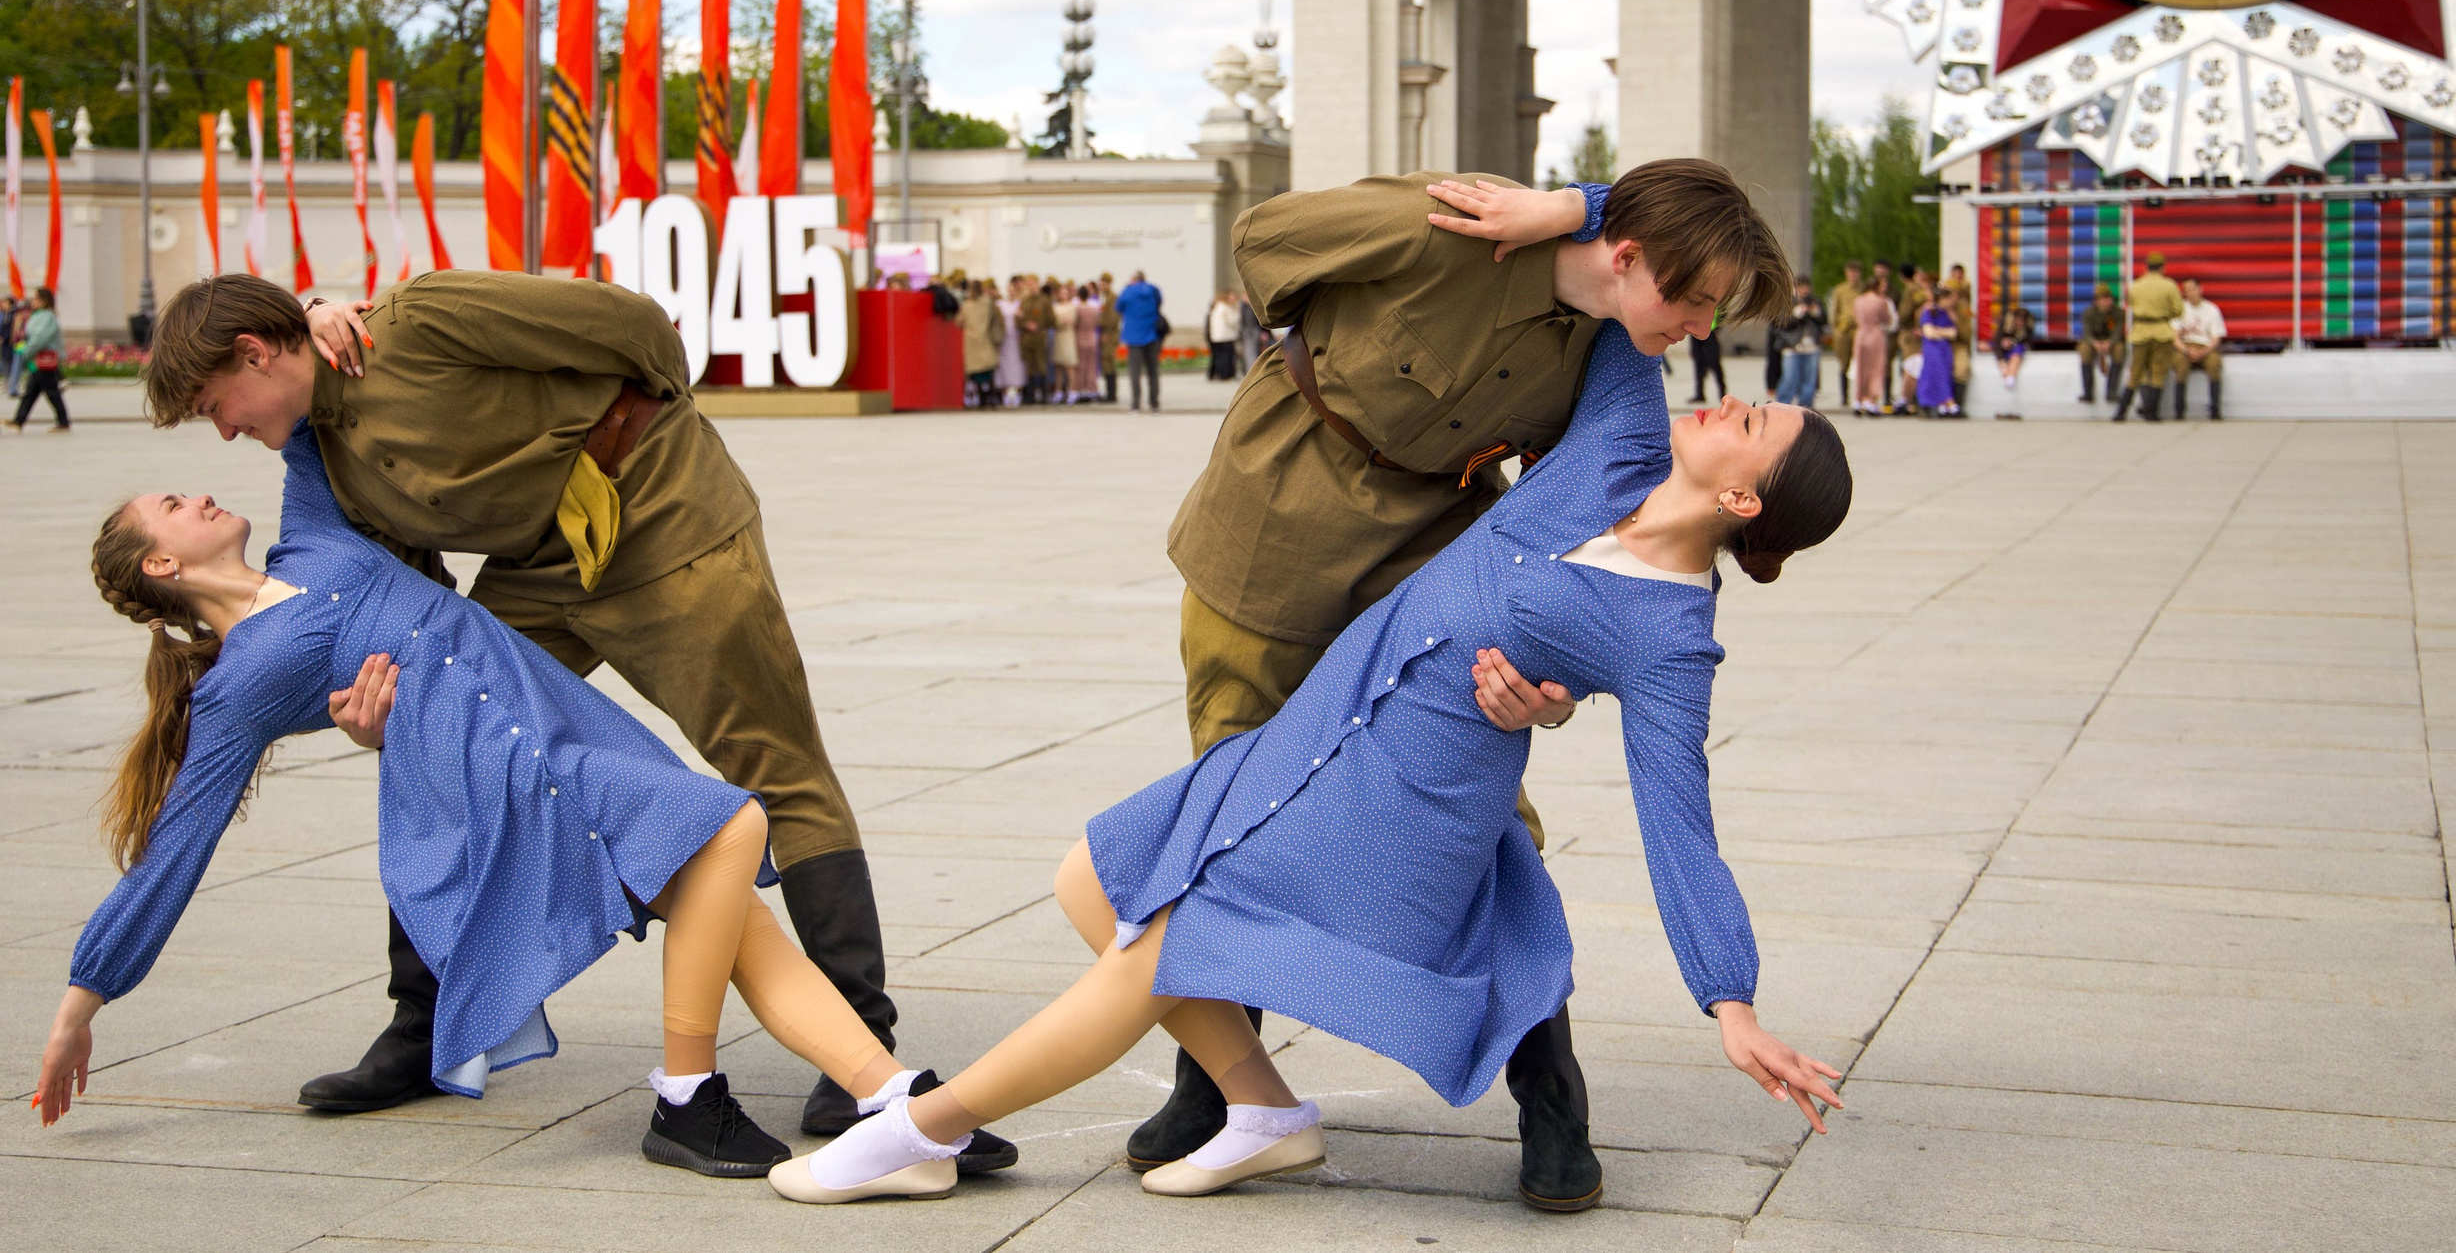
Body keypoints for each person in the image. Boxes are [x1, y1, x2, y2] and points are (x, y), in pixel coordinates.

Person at [773, 329, 1852, 1209]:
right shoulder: (1616, 445)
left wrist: (1731, 999)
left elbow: (1679, 821)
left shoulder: (1667, 634)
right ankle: (1265, 1111)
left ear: (1746, 502)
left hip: (1399, 810)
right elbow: (1633, 289)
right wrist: (1581, 212)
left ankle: (917, 1133)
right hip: (1318, 732)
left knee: (1153, 948)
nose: (1725, 403)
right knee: (1089, 880)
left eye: (1749, 424)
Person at [139, 273, 1011, 1173]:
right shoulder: (326, 457)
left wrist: (625, 446)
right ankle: (425, 1027)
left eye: (216, 405)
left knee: (772, 765)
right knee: (459, 757)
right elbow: (413, 607)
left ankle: (859, 1032)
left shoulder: (417, 322)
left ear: (253, 356)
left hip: (667, 519)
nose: (225, 431)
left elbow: (639, 330)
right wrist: (390, 719)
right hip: (542, 570)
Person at [1148, 160, 1790, 1212]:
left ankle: (1548, 1089)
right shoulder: (1448, 225)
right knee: (1227, 801)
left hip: (1432, 546)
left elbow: (1607, 523)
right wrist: (1573, 208)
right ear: (1634, 260)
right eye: (1695, 300)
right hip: (1273, 514)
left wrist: (1555, 674)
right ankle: (1214, 1085)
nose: (1698, 330)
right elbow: (1265, 236)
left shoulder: (1609, 339)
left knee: (1492, 819)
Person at [2117, 254, 2181, 422]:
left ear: (2146, 267)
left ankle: (2121, 412)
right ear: (2162, 267)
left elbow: (2130, 304)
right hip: (2162, 331)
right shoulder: (2169, 285)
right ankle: (2152, 412)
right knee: (2158, 372)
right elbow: (2178, 310)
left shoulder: (2135, 286)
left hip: (2140, 331)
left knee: (2135, 372)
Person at [10, 286, 70, 433]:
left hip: (44, 359)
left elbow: (41, 337)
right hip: (38, 359)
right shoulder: (39, 315)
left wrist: (28, 350)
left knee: (51, 391)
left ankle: (63, 422)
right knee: (32, 391)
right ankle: (19, 420)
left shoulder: (47, 316)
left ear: (44, 300)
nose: (33, 301)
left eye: (35, 298)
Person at [2171, 277, 2226, 420]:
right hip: (2185, 345)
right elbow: (2174, 337)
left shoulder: (2211, 309)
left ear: (2200, 289)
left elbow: (2216, 338)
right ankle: (2179, 410)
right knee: (2180, 365)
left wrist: (2204, 351)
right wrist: (2185, 350)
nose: (2189, 293)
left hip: (2205, 346)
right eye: (2186, 291)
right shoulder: (2179, 309)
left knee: (2214, 364)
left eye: (2192, 289)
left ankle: (2215, 409)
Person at [1775, 278, 1825, 408]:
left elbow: (1824, 321)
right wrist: (1796, 315)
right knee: (1790, 378)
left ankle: (1806, 405)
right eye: (1801, 287)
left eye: (1806, 287)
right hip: (1792, 346)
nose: (1804, 290)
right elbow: (1780, 324)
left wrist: (1816, 313)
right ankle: (1783, 404)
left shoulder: (1815, 302)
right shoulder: (1787, 303)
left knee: (1810, 379)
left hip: (1811, 346)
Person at [1119, 270, 1164, 412]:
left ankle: (1135, 404)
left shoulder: (1127, 291)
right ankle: (1154, 403)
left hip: (1134, 336)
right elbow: (1159, 303)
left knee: (1135, 373)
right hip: (1151, 333)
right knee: (1153, 371)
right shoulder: (1153, 290)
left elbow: (1118, 307)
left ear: (1133, 279)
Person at [1851, 273, 1894, 416]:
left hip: (1861, 333)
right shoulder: (1880, 301)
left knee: (1861, 367)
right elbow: (1887, 319)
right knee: (1876, 368)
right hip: (1875, 334)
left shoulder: (1858, 300)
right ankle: (1871, 399)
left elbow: (1855, 316)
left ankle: (1859, 398)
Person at [1895, 265, 1935, 414]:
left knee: (1912, 366)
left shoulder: (1913, 291)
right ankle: (1905, 400)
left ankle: (1906, 400)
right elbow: (1905, 313)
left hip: (1915, 335)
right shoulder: (1916, 292)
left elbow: (1904, 313)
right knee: (1912, 365)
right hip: (1912, 335)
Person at [1916, 287, 1960, 417]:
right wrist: (1944, 332)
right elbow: (1929, 333)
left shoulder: (1947, 313)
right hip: (1932, 348)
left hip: (1944, 348)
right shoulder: (1929, 312)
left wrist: (1938, 331)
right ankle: (1941, 400)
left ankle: (1943, 402)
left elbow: (1953, 333)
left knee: (1945, 373)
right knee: (1934, 372)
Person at [959, 280, 1001, 409]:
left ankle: (981, 399)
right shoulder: (988, 303)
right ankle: (992, 397)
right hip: (986, 338)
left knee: (976, 372)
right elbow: (996, 318)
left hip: (971, 340)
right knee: (988, 369)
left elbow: (959, 321)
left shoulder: (966, 305)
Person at [2077, 285, 2122, 406]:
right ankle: (2088, 392)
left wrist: (2110, 342)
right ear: (2096, 301)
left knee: (2119, 350)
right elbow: (2086, 332)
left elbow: (2117, 332)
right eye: (2104, 299)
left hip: (2110, 340)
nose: (2108, 302)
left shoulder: (2117, 312)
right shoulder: (2089, 313)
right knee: (2084, 350)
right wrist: (2094, 343)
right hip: (2093, 340)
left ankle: (2111, 391)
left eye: (2109, 299)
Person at [1825, 262, 1862, 408]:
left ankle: (1860, 395)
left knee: (1860, 363)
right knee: (1844, 363)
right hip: (1843, 330)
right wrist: (1835, 329)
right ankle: (1844, 396)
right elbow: (1834, 310)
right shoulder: (1840, 290)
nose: (1853, 276)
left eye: (1855, 273)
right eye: (1850, 273)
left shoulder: (1863, 289)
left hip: (1859, 329)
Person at [1018, 276, 1056, 407]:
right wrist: (1025, 324)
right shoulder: (1024, 301)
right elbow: (1018, 318)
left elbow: (1052, 320)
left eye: (1032, 284)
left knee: (1041, 366)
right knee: (1029, 367)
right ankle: (1030, 395)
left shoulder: (1044, 301)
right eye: (1028, 284)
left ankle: (1045, 395)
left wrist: (1040, 326)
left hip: (1040, 337)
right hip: (1027, 338)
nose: (1030, 287)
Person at [1992, 306, 2033, 420]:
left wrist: (2013, 341)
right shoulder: (2004, 325)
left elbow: (2029, 343)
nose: (2019, 323)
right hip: (2003, 353)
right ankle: (2009, 375)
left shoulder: (2027, 328)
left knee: (2017, 352)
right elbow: (1996, 344)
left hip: (2016, 351)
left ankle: (2011, 375)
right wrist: (2001, 362)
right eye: (2017, 320)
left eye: (2022, 321)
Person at [1944, 263, 1975, 409]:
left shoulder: (1964, 309)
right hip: (1939, 344)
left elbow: (1967, 333)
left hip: (1958, 344)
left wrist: (1956, 320)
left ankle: (1957, 405)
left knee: (1962, 369)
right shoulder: (1935, 307)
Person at [995, 279, 1027, 406]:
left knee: (1017, 364)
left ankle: (1017, 391)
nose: (1011, 292)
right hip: (1004, 338)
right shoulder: (1000, 304)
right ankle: (1005, 391)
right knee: (1004, 366)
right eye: (1009, 290)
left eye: (1013, 290)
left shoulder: (1021, 304)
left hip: (1016, 337)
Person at [1075, 285, 1103, 400]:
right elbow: (1098, 323)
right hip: (1092, 338)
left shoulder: (1077, 309)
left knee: (1081, 365)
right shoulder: (1093, 309)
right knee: (1091, 366)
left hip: (1080, 337)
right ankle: (1092, 389)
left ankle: (1082, 389)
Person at [1096, 275, 1121, 404]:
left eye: (1104, 284)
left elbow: (1113, 318)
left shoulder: (1113, 298)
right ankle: (1109, 392)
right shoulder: (1104, 298)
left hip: (1110, 333)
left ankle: (1112, 394)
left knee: (1108, 360)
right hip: (1105, 332)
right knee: (1105, 362)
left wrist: (1105, 330)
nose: (1102, 287)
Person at [1206, 290, 1241, 382]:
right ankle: (1225, 375)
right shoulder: (1226, 308)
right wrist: (1237, 312)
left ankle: (1218, 374)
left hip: (1217, 337)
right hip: (1226, 336)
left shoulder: (1217, 308)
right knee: (1227, 357)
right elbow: (1232, 321)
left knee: (1219, 356)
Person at [1686, 330, 1726, 403]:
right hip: (1696, 334)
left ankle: (1723, 394)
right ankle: (1700, 394)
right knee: (1699, 368)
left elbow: (1721, 318)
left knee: (1715, 366)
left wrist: (1717, 327)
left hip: (1709, 332)